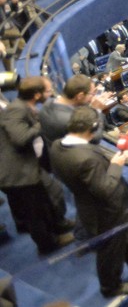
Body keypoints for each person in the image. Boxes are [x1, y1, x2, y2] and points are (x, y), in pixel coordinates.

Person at [50, 106, 128, 297]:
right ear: (90, 129)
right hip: (103, 212)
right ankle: (111, 287)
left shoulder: (58, 144)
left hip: (100, 203)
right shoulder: (86, 159)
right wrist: (116, 165)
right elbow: (106, 189)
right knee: (110, 250)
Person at [0, 76, 75, 255]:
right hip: (18, 173)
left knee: (49, 196)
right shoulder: (16, 110)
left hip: (28, 166)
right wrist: (40, 123)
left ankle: (58, 226)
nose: (50, 93)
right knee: (35, 214)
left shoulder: (24, 106)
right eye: (47, 90)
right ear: (36, 95)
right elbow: (20, 138)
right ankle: (47, 245)